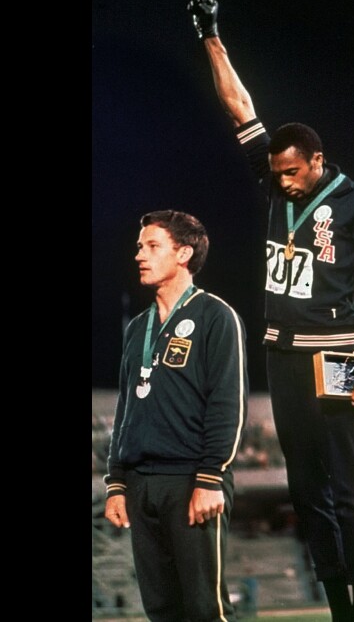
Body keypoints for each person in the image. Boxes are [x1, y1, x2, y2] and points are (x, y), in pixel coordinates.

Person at [186, 0, 354, 622]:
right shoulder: (276, 178)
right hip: (282, 354)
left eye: (292, 173)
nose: (281, 182)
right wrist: (211, 37)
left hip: (339, 356)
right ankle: (337, 609)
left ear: (318, 161)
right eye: (276, 174)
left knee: (348, 489)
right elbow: (241, 109)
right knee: (306, 492)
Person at [103, 209, 248, 622]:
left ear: (183, 253)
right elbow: (125, 409)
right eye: (139, 247)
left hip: (191, 481)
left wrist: (210, 477)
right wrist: (116, 483)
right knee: (162, 610)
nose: (139, 256)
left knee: (206, 609)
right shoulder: (137, 329)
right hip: (139, 483)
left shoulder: (216, 317)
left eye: (152, 246)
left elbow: (227, 405)